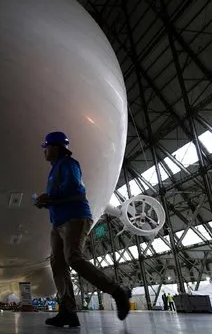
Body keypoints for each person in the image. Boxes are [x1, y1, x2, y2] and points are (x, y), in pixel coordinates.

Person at [34, 132, 132, 328]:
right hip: (58, 222)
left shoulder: (69, 164)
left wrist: (49, 196)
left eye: (47, 147)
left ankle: (117, 292)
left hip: (75, 217)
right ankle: (68, 311)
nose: (44, 151)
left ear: (56, 147)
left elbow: (74, 188)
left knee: (73, 258)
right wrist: (46, 202)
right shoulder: (54, 170)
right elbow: (60, 195)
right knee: (57, 263)